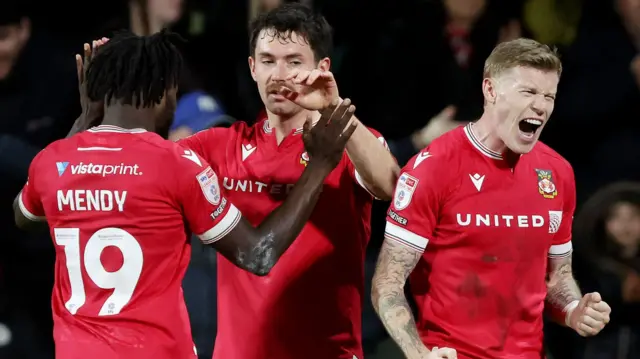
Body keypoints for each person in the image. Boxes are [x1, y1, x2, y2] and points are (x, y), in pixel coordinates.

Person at [12, 30, 357, 359]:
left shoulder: (52, 160)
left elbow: (23, 216)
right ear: (163, 91)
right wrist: (320, 165)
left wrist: (86, 118)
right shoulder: (174, 163)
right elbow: (258, 255)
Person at [177, 4, 399, 359]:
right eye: (267, 61)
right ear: (252, 68)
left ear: (321, 68)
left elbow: (390, 186)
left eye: (294, 62)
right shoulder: (219, 146)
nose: (278, 75)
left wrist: (334, 107)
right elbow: (147, 166)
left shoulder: (350, 143)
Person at [371, 38, 612, 359]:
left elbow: (558, 277)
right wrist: (418, 353)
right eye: (528, 92)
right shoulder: (434, 168)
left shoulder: (557, 173)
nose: (541, 106)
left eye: (549, 96)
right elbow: (387, 284)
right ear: (490, 89)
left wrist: (573, 310)